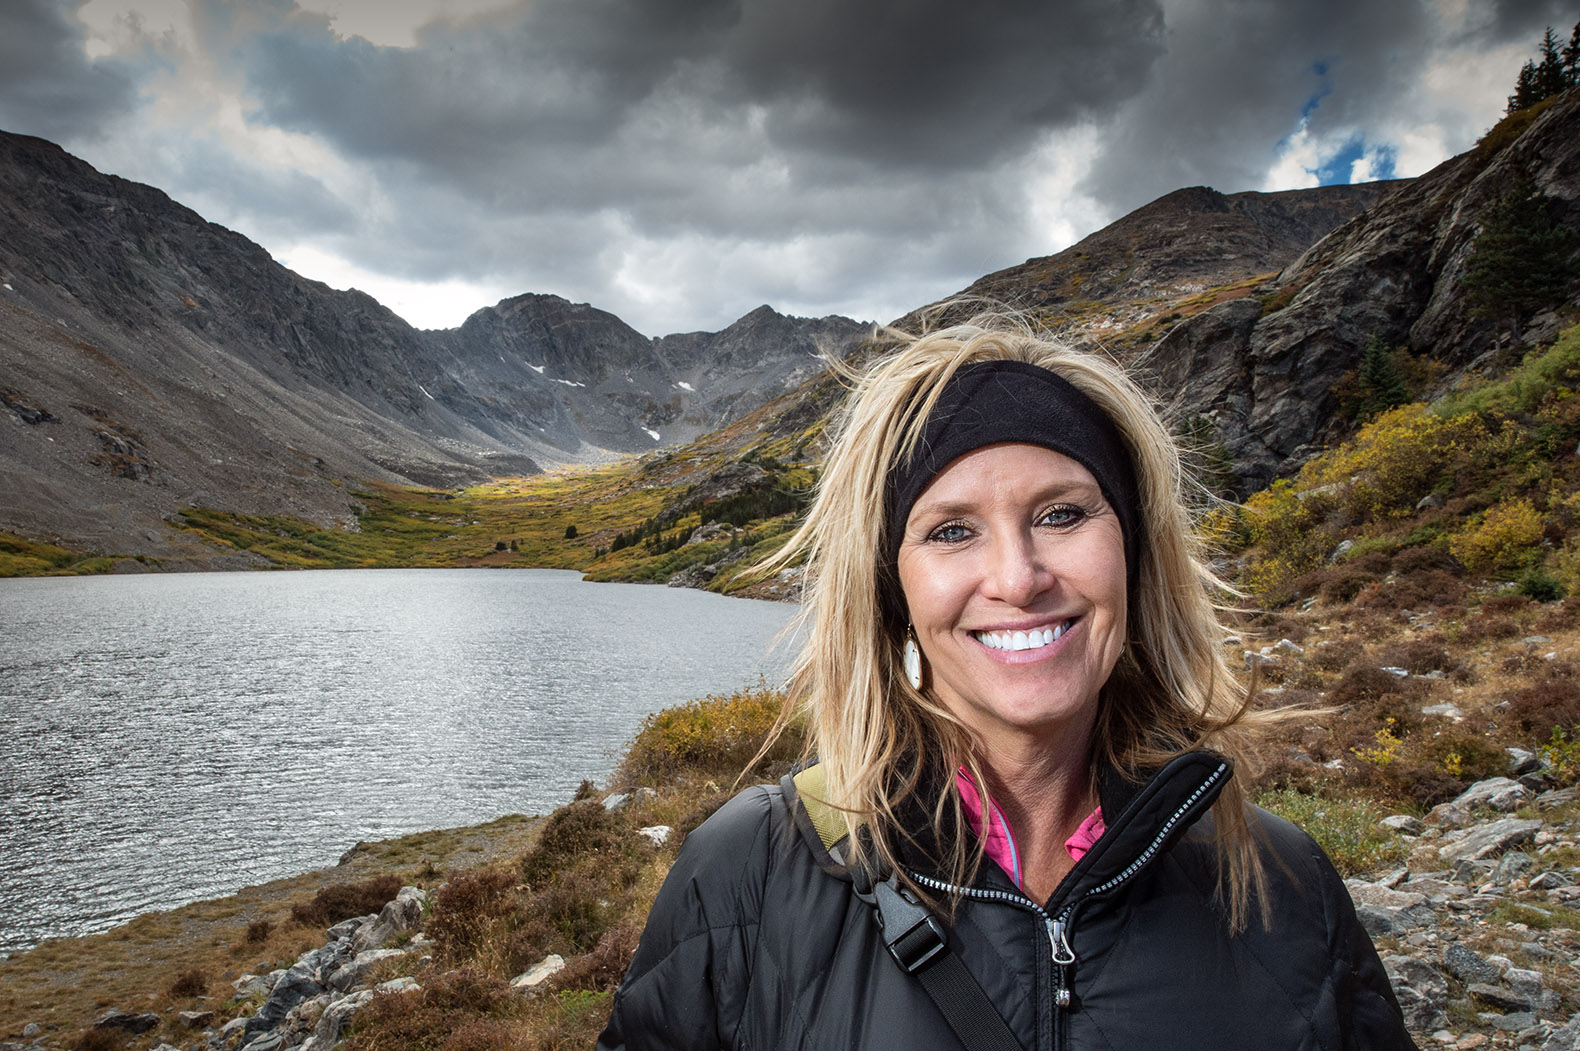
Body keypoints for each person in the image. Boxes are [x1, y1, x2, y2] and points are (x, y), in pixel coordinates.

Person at [597, 317, 1414, 1051]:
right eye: (952, 531)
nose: (1018, 579)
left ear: (1133, 553)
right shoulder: (748, 874)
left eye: (1062, 514)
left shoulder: (1283, 882)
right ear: (895, 594)